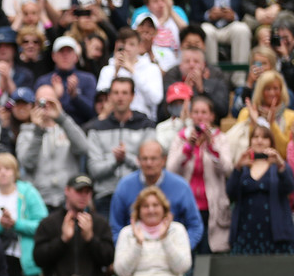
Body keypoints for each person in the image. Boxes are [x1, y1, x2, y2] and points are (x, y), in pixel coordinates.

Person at [32, 175, 115, 276]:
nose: (83, 196)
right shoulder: (49, 223)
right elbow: (38, 258)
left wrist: (91, 239)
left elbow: (109, 258)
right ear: (67, 191)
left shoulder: (100, 223)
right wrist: (62, 240)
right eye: (79, 191)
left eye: (87, 192)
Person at [113, 186, 193, 276]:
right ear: (138, 210)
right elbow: (121, 272)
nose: (151, 210)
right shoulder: (127, 233)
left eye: (155, 205)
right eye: (145, 206)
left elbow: (182, 266)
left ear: (164, 209)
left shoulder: (177, 230)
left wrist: (165, 239)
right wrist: (138, 244)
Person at [167, 95, 233, 254]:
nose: (200, 116)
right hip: (186, 207)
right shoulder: (181, 138)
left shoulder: (221, 139)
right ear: (190, 115)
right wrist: (188, 148)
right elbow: (170, 170)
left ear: (212, 116)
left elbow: (228, 169)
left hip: (212, 207)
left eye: (204, 112)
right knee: (186, 252)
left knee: (208, 254)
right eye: (196, 112)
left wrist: (212, 146)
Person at [110, 140, 204, 249]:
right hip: (135, 255)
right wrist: (126, 251)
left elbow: (195, 226)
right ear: (138, 160)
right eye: (144, 159)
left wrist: (182, 250)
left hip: (172, 255)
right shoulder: (124, 186)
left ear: (163, 160)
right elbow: (115, 227)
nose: (149, 163)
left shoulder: (181, 187)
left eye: (153, 158)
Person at [86, 77, 157, 217]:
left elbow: (151, 165)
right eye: (116, 93)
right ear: (110, 97)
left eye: (124, 93)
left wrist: (126, 158)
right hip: (106, 196)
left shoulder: (146, 126)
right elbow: (94, 170)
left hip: (139, 194)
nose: (120, 97)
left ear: (132, 96)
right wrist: (115, 161)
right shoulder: (96, 129)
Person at [15, 86, 89, 210]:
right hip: (40, 202)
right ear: (34, 105)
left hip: (68, 200)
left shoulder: (67, 127)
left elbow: (83, 149)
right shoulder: (27, 133)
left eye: (51, 102)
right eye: (41, 103)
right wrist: (38, 132)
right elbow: (27, 164)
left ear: (58, 103)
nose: (46, 106)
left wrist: (62, 118)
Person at [227, 124, 294, 255]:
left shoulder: (278, 166)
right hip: (245, 231)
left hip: (275, 233)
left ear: (270, 142)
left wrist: (280, 163)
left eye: (264, 137)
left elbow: (289, 187)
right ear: (250, 140)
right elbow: (230, 193)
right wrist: (238, 168)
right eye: (256, 137)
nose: (259, 140)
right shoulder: (244, 167)